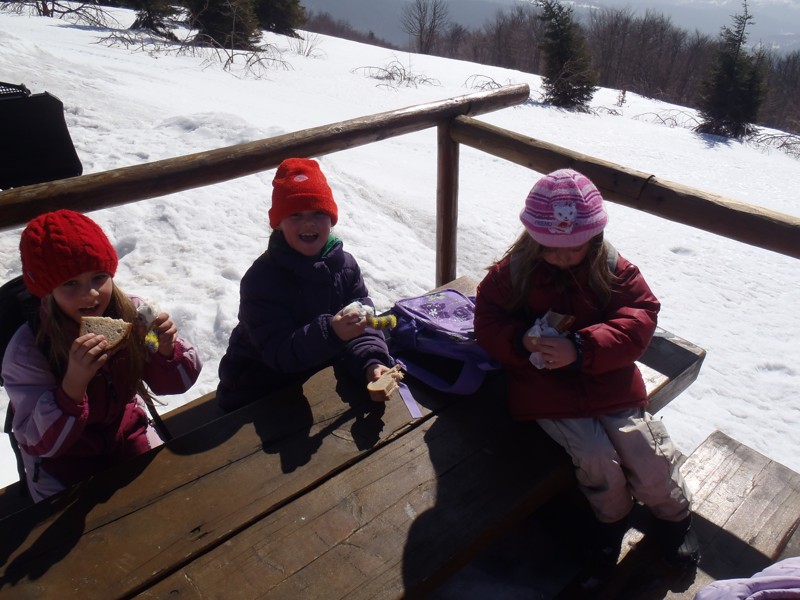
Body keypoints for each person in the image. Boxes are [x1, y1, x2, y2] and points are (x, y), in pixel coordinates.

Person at [473, 169, 699, 589]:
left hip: (609, 381)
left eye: (573, 249)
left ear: (593, 239)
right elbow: (486, 320)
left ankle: (675, 520)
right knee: (597, 460)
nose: (561, 257)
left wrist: (582, 347)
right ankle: (609, 527)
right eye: (550, 248)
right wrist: (521, 341)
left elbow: (639, 318)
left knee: (648, 455)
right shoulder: (514, 272)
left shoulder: (612, 270)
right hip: (547, 391)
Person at [2, 209, 203, 502]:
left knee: (166, 497)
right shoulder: (28, 349)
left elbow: (175, 381)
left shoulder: (133, 314)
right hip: (61, 460)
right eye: (71, 283)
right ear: (48, 290)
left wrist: (166, 351)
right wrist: (73, 385)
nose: (91, 294)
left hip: (127, 432)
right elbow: (38, 441)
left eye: (99, 277)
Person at [217, 157, 393, 412]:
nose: (308, 223)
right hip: (257, 389)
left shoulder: (345, 267)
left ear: (331, 219)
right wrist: (330, 333)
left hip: (315, 376)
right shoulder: (261, 281)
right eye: (295, 215)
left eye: (318, 213)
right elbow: (278, 353)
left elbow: (363, 323)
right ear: (278, 224)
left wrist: (372, 361)